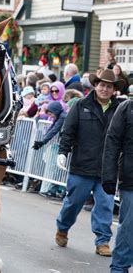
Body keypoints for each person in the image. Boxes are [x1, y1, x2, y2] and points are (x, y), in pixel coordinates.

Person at [55, 68, 125, 256]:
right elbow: (68, 131)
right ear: (95, 85)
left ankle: (102, 241)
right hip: (82, 166)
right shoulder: (79, 105)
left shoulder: (120, 108)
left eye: (109, 87)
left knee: (105, 205)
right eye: (102, 85)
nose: (104, 89)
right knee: (73, 203)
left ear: (113, 90)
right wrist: (63, 152)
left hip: (107, 169)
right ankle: (63, 228)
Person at [102, 99, 133, 272]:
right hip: (131, 179)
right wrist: (108, 176)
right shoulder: (127, 108)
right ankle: (119, 268)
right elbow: (112, 141)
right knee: (129, 227)